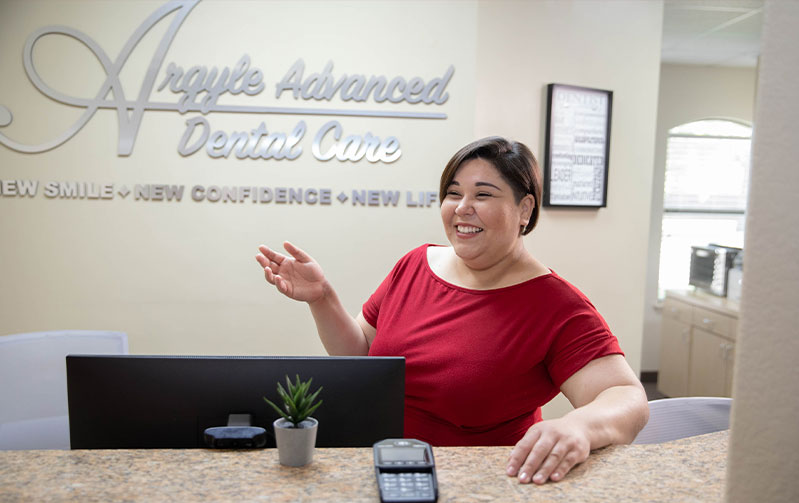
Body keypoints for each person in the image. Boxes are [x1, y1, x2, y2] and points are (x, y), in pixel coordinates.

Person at [255, 136, 649, 485]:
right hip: (387, 469)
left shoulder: (556, 304)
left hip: (489, 487)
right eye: (453, 193)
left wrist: (578, 425)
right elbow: (359, 355)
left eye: (483, 194)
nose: (463, 208)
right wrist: (322, 297)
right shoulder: (415, 264)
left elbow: (627, 397)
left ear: (524, 208)